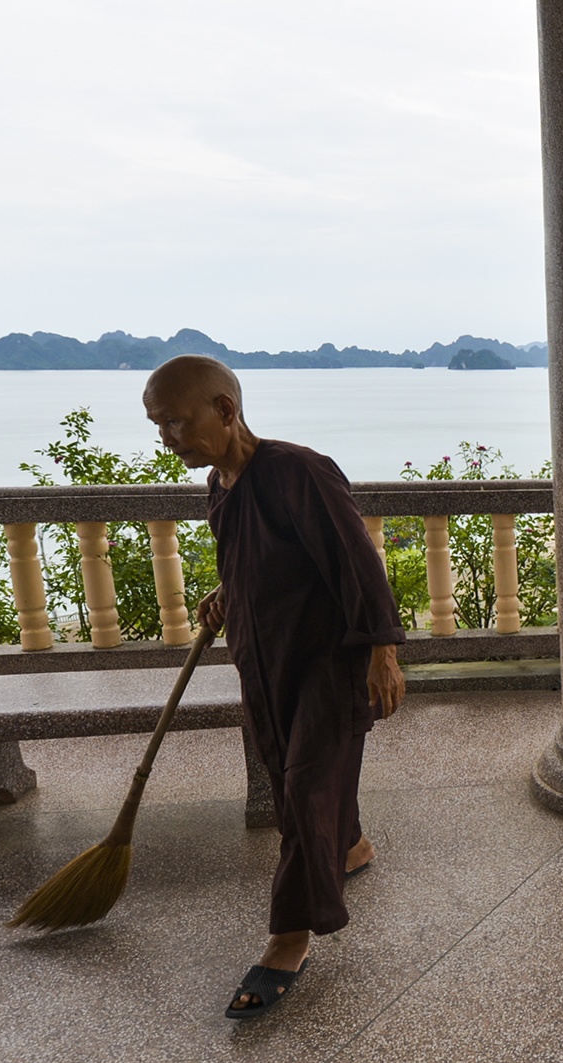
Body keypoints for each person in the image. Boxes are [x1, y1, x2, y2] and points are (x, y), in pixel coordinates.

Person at [143, 354, 406, 1019]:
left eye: (175, 422)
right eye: (158, 426)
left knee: (302, 785)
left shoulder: (299, 471)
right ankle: (350, 846)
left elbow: (357, 561)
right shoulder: (221, 485)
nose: (166, 438)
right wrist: (226, 593)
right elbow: (254, 559)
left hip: (326, 660)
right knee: (291, 769)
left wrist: (383, 651)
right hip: (264, 660)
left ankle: (289, 936)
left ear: (225, 410)